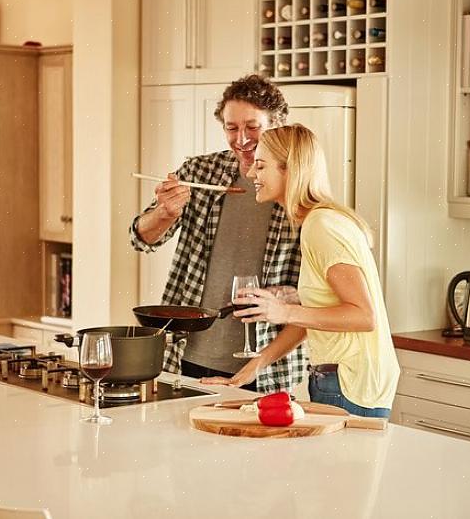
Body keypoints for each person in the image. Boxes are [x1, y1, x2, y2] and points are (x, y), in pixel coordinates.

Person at [202, 124, 400, 418]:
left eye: (261, 166)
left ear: (289, 170)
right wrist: (248, 373)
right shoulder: (319, 221)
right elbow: (312, 318)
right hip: (346, 380)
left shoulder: (322, 226)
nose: (252, 174)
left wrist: (285, 311)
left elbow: (363, 315)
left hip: (348, 384)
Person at [130, 74, 306, 394]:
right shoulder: (199, 172)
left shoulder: (296, 185)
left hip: (265, 364)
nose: (241, 139)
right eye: (231, 127)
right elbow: (140, 238)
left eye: (253, 127)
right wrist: (164, 213)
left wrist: (285, 296)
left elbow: (316, 291)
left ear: (278, 123)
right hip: (187, 351)